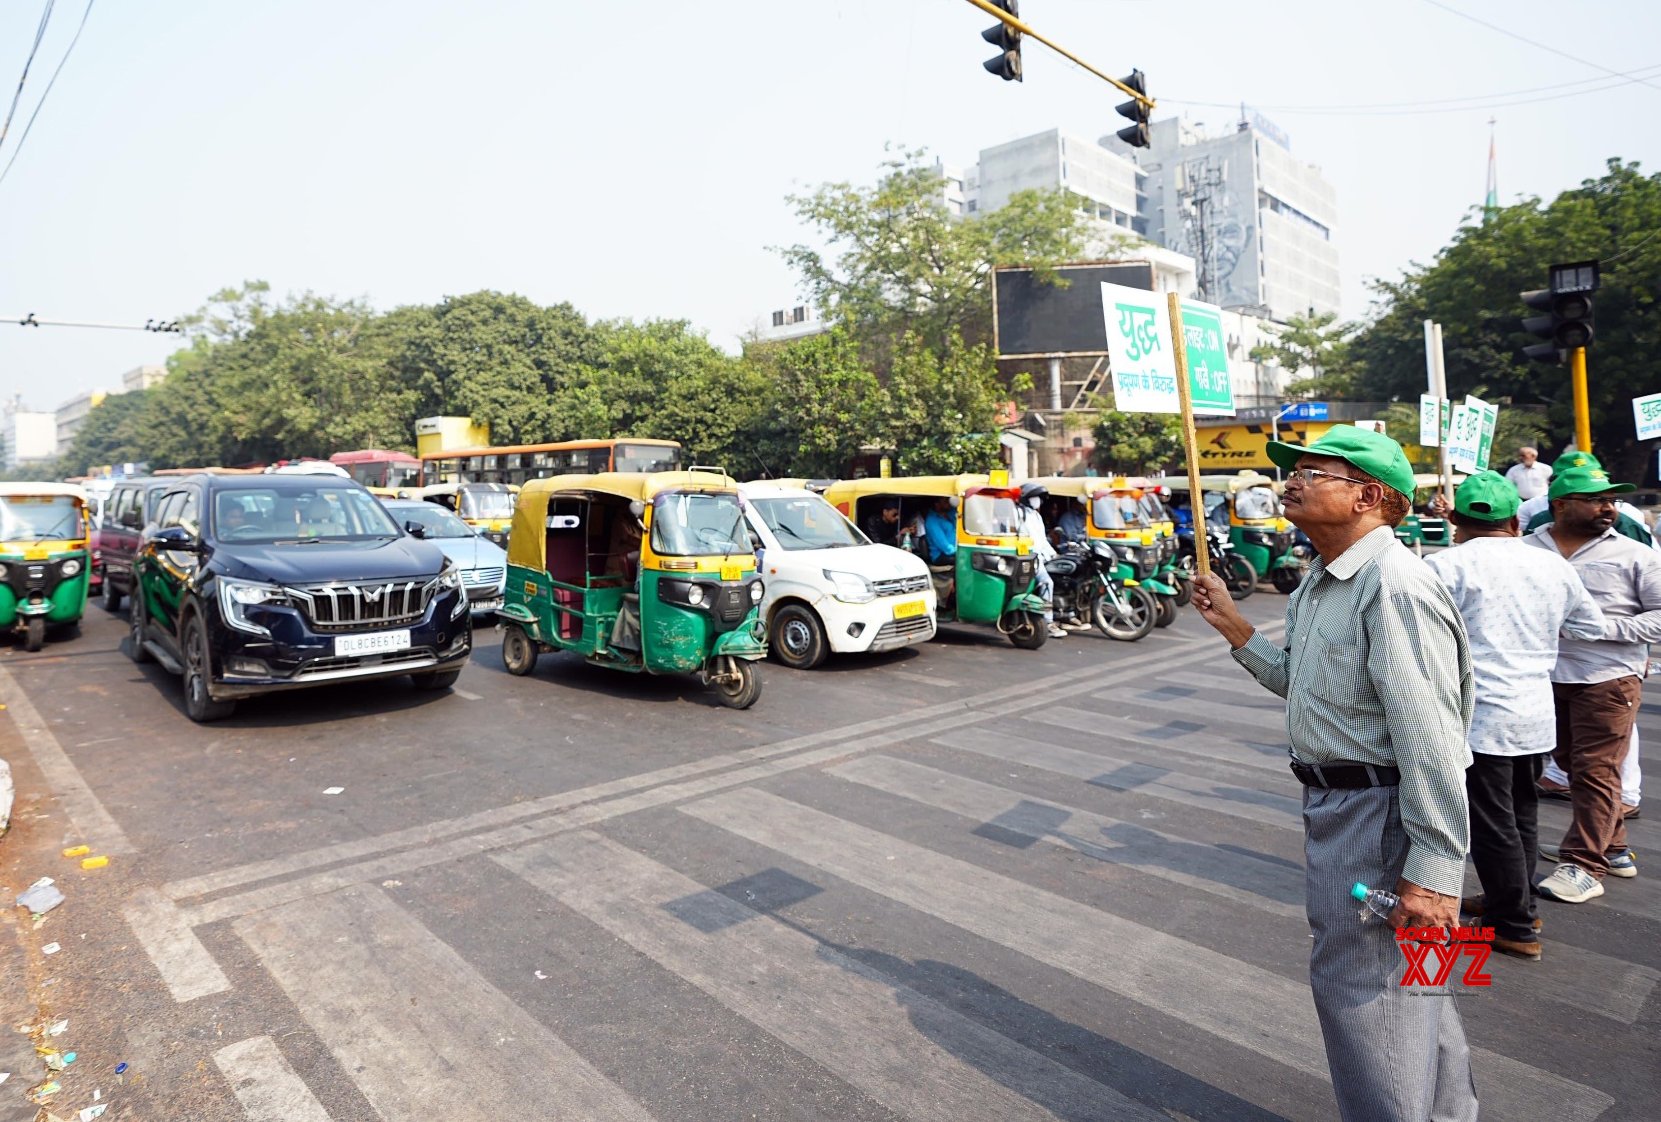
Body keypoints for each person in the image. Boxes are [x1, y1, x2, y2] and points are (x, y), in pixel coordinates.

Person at [1190, 426, 1477, 1122]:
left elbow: (1431, 738)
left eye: (1313, 473)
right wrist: (1233, 626)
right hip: (1353, 806)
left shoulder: (1393, 585)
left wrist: (1435, 872)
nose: (1290, 482)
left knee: (1363, 993)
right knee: (1417, 989)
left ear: (1369, 497)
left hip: (1375, 818)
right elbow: (1308, 687)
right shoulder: (1322, 581)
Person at [1423, 471, 1605, 960]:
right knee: (1521, 814)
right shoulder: (1551, 566)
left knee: (1491, 823)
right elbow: (1590, 625)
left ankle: (1515, 924)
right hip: (1534, 712)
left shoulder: (1445, 566)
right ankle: (1515, 900)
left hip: (1480, 716)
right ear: (1514, 521)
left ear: (1457, 519)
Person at [1524, 466, 1661, 902]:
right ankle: (1614, 847)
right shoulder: (1527, 549)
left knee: (1596, 769)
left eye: (1612, 500)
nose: (1609, 508)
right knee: (1570, 764)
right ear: (1560, 505)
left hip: (1608, 679)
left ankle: (1585, 863)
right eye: (1597, 499)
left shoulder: (1635, 555)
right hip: (1544, 676)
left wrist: (1598, 629)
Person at [1016, 484, 1067, 639]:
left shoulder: (1036, 516)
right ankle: (1048, 621)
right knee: (1047, 583)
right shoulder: (1018, 514)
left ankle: (1067, 613)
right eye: (1034, 497)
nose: (1037, 501)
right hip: (1030, 558)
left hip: (1043, 556)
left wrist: (1054, 555)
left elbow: (1043, 540)